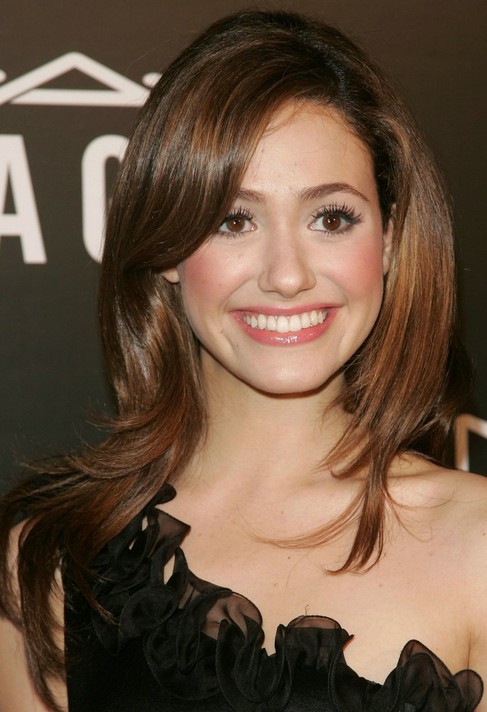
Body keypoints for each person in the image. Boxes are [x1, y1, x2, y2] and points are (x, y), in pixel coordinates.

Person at [0, 8, 486, 712]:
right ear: (167, 250)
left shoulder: (476, 546)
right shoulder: (48, 561)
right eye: (234, 219)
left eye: (330, 217)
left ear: (388, 239)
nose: (287, 275)